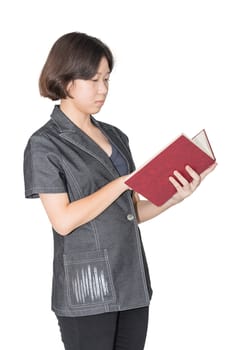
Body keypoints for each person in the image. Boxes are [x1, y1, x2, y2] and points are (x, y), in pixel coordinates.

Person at [23, 32, 216, 350]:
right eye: (92, 79)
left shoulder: (116, 136)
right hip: (88, 287)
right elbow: (63, 221)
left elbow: (130, 211)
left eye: (106, 79)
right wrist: (121, 183)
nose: (102, 90)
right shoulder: (44, 144)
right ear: (65, 78)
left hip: (132, 281)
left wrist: (174, 198)